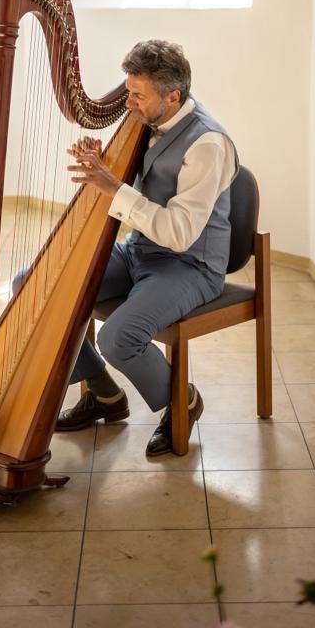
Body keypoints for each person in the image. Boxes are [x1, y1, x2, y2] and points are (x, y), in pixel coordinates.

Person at [56, 39, 238, 456]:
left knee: (118, 338)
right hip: (140, 251)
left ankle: (183, 401)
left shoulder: (207, 145)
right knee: (36, 284)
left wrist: (113, 187)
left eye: (137, 95)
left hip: (189, 265)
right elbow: (142, 184)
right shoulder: (147, 121)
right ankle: (103, 393)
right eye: (128, 91)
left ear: (172, 96)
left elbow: (180, 233)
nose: (128, 102)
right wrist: (103, 163)